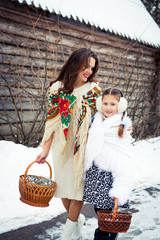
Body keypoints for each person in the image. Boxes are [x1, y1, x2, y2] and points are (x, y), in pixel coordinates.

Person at [35, 48, 102, 240]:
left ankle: (70, 233)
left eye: (92, 67)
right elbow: (52, 120)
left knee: (77, 190)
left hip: (82, 147)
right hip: (61, 145)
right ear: (75, 63)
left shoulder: (93, 90)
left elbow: (107, 112)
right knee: (63, 188)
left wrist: (122, 125)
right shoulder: (57, 88)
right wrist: (45, 150)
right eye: (86, 66)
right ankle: (77, 219)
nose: (89, 71)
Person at [83, 88, 134, 240]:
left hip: (111, 176)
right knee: (100, 212)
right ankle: (107, 234)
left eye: (113, 104)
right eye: (105, 103)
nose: (108, 107)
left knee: (107, 216)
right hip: (96, 174)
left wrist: (121, 185)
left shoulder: (121, 124)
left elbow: (124, 155)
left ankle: (105, 236)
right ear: (100, 104)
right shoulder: (96, 120)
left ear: (121, 106)